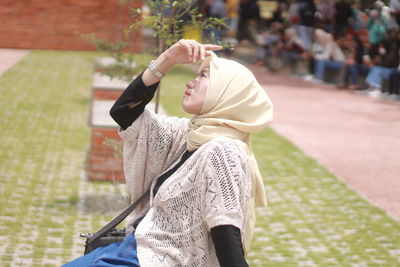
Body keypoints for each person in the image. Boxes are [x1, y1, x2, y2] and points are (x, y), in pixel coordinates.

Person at [63, 39, 273, 266]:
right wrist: (167, 60)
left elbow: (225, 232)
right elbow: (124, 112)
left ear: (227, 93)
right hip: (135, 246)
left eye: (203, 76)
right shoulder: (189, 135)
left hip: (155, 259)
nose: (191, 82)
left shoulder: (222, 151)